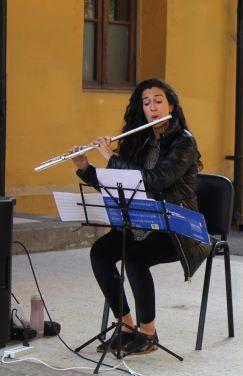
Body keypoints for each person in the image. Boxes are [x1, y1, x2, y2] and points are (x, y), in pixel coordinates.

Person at [70, 78, 211, 355]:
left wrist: (111, 156)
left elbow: (156, 181)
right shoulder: (140, 139)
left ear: (171, 105)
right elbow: (121, 184)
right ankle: (125, 326)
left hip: (177, 226)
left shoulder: (184, 142)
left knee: (135, 257)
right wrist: (86, 168)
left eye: (159, 101)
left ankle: (149, 332)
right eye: (146, 103)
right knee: (101, 252)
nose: (153, 108)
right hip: (143, 221)